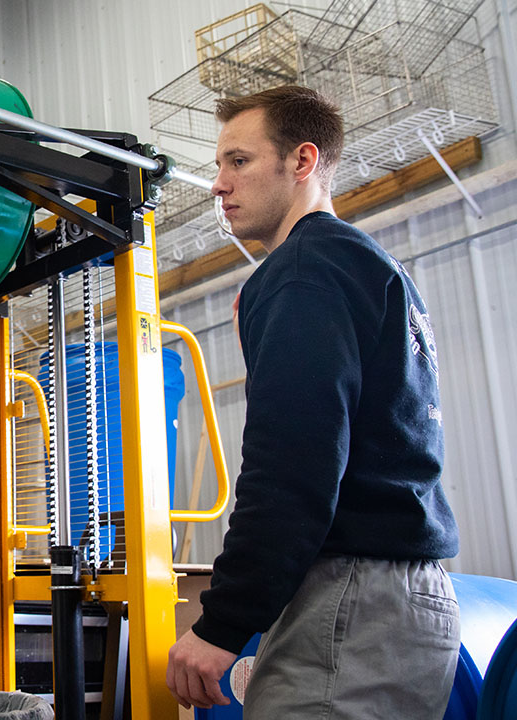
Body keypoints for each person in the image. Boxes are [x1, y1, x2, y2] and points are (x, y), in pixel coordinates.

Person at [165, 85, 460, 718]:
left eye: (238, 161)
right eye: (219, 165)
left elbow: (294, 462)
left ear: (301, 162)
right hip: (412, 600)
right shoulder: (372, 267)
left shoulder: (304, 272)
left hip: (354, 598)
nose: (218, 184)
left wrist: (222, 624)